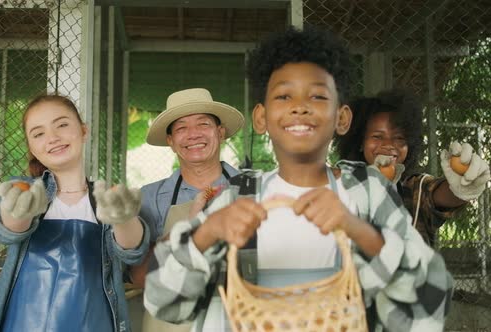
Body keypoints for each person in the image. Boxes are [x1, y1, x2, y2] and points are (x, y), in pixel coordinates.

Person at [144, 26, 454, 332]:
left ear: (341, 118)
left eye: (318, 95)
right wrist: (207, 232)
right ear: (262, 118)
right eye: (284, 95)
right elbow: (167, 303)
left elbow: (429, 300)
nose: (300, 107)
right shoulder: (239, 194)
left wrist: (358, 230)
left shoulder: (367, 191)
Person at [0, 94, 149, 332]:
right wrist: (20, 209)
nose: (53, 138)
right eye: (39, 134)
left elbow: (132, 250)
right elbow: (11, 230)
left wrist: (123, 217)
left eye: (62, 125)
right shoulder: (24, 189)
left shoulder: (106, 196)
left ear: (84, 131)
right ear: (32, 148)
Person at [128, 88, 244, 331]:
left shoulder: (249, 189)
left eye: (203, 124)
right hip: (170, 322)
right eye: (181, 128)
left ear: (220, 132)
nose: (193, 134)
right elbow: (138, 276)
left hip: (236, 318)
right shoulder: (148, 198)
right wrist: (182, 237)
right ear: (170, 141)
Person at [334, 89, 490, 247]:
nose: (388, 144)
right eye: (377, 136)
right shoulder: (340, 186)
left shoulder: (414, 188)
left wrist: (461, 187)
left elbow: (439, 196)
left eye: (399, 138)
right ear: (360, 142)